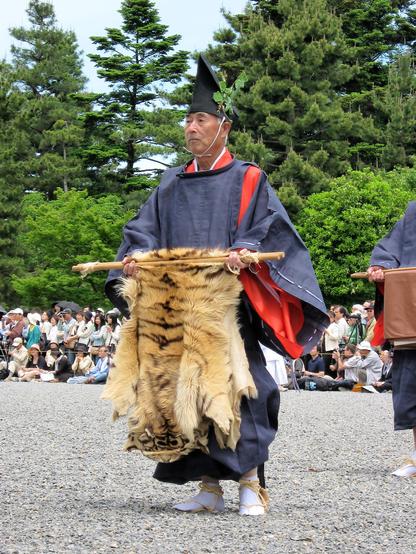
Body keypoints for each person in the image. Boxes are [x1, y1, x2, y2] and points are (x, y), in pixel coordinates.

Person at [104, 54, 328, 515]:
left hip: (226, 306)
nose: (191, 127)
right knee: (185, 393)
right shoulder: (169, 182)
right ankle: (209, 486)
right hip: (176, 305)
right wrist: (136, 258)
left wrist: (243, 251)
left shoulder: (249, 178)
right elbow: (142, 230)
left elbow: (266, 228)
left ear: (223, 126)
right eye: (187, 119)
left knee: (240, 389)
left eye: (200, 119)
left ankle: (250, 484)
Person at [367, 201, 416, 477]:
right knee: (413, 386)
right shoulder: (414, 211)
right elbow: (389, 248)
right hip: (412, 314)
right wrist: (381, 266)